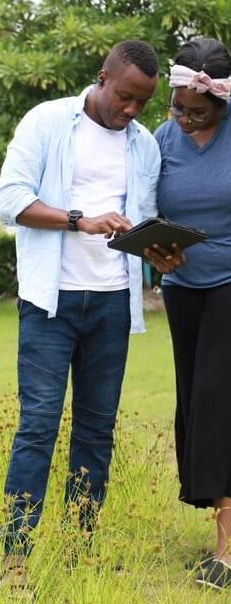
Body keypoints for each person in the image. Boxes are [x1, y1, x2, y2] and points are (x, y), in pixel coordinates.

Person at [0, 40, 180, 590]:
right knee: (38, 428)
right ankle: (15, 560)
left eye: (142, 103)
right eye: (124, 97)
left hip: (111, 305)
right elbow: (9, 202)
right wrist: (80, 220)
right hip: (50, 301)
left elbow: (141, 224)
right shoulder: (48, 121)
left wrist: (160, 254)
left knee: (96, 433)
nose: (130, 111)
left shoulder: (144, 145)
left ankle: (79, 550)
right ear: (102, 78)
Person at [148, 37, 231, 591]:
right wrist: (155, 249)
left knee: (217, 401)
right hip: (183, 286)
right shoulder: (163, 138)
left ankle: (228, 548)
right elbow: (146, 206)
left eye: (194, 111)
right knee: (195, 405)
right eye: (176, 106)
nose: (181, 118)